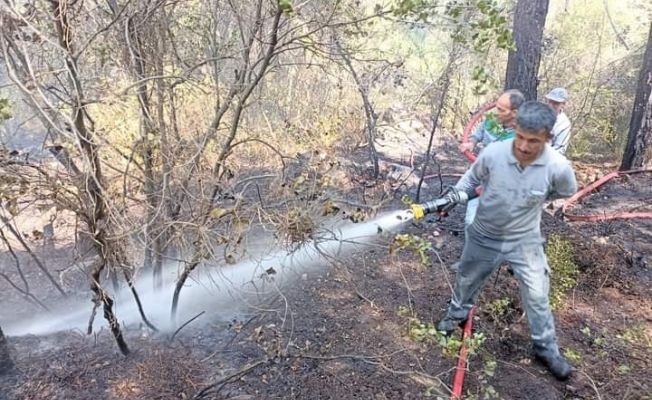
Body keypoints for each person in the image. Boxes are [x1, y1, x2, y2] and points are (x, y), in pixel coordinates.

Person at [437, 101, 578, 380]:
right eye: (520, 137)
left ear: (548, 138)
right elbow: (469, 180)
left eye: (533, 141)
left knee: (538, 294)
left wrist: (534, 199)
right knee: (467, 279)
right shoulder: (494, 153)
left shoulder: (559, 167)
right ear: (515, 129)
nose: (524, 146)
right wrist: (452, 199)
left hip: (524, 239)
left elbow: (564, 191)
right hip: (485, 233)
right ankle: (456, 315)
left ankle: (545, 348)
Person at [460, 89, 525, 227]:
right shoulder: (492, 120)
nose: (496, 112)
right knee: (453, 196)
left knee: (472, 222)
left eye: (501, 110)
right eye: (496, 107)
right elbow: (479, 132)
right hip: (477, 172)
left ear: (514, 113)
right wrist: (471, 143)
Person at [545, 88, 572, 155]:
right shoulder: (538, 113)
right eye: (550, 101)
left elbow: (560, 148)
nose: (551, 105)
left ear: (563, 104)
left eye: (555, 103)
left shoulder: (564, 124)